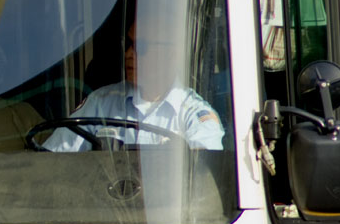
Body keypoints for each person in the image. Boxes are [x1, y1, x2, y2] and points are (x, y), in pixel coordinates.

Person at [42, 8, 224, 152]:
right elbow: (52, 160)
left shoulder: (194, 116)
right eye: (128, 44)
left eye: (141, 47)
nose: (129, 54)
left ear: (171, 53)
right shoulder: (100, 104)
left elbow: (203, 184)